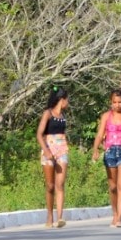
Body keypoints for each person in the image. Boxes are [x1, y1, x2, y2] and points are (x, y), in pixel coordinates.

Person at [92, 89, 121, 227]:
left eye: (120, 102)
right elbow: (99, 134)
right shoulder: (106, 116)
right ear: (111, 103)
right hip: (110, 152)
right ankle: (115, 213)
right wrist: (95, 149)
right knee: (112, 187)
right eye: (114, 102)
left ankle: (120, 218)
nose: (117, 105)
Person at [36, 89, 71, 228]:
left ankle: (60, 217)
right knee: (50, 186)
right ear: (61, 99)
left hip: (61, 148)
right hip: (48, 148)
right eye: (67, 100)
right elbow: (39, 134)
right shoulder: (48, 113)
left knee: (60, 184)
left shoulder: (62, 116)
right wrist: (46, 150)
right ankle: (50, 215)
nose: (67, 103)